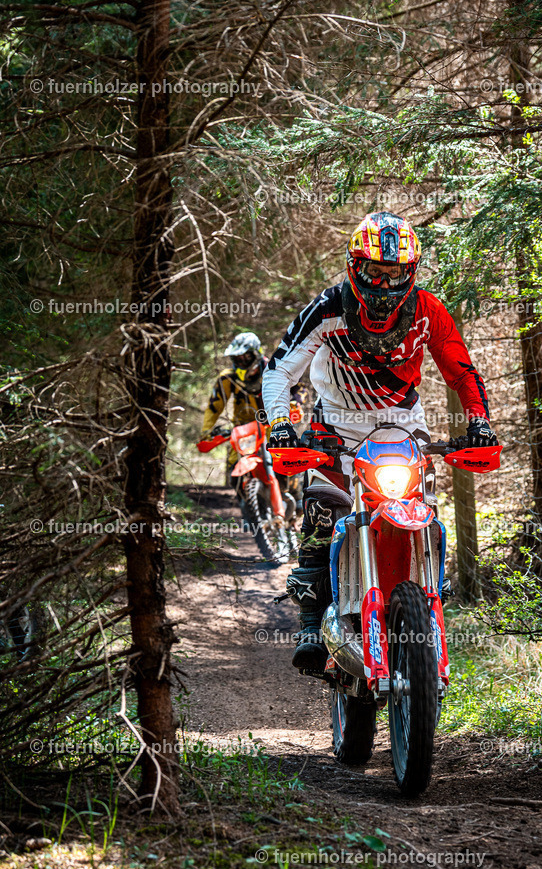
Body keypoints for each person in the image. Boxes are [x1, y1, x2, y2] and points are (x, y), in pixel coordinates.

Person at [262, 211, 497, 673]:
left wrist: (479, 423)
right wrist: (280, 426)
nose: (385, 285)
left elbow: (460, 369)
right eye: (375, 271)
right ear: (355, 267)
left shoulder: (428, 311)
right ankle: (311, 621)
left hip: (403, 427)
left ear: (412, 273)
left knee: (423, 506)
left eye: (396, 273)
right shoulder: (327, 309)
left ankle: (432, 582)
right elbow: (279, 371)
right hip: (335, 429)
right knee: (322, 506)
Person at [200, 332, 307, 479]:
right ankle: (242, 493)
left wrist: (295, 403)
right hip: (245, 428)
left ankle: (295, 493)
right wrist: (207, 430)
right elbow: (214, 406)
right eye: (237, 358)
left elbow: (299, 388)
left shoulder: (275, 369)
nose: (241, 361)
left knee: (286, 460)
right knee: (234, 462)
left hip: (273, 424)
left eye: (245, 357)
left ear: (256, 354)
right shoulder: (228, 377)